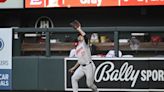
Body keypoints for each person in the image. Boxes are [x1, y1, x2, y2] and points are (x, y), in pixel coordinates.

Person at [68, 20, 99, 92]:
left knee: (89, 85)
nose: (80, 36)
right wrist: (73, 68)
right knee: (74, 78)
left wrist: (79, 29)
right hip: (82, 67)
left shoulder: (85, 44)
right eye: (79, 36)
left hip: (89, 66)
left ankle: (96, 91)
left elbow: (86, 37)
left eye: (81, 35)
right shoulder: (77, 48)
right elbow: (79, 61)